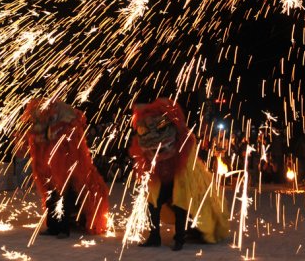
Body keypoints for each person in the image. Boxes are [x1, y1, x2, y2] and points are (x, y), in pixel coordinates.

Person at [130, 98, 230, 251]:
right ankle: (154, 236)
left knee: (181, 204)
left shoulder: (184, 141)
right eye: (144, 130)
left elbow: (186, 158)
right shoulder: (150, 142)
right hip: (162, 179)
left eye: (161, 126)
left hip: (180, 178)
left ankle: (179, 239)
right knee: (152, 204)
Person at [22, 99, 109, 238]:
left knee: (64, 197)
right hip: (47, 166)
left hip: (65, 166)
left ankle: (63, 228)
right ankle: (53, 226)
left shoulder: (65, 122)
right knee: (51, 196)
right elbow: (36, 139)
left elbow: (65, 140)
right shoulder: (43, 123)